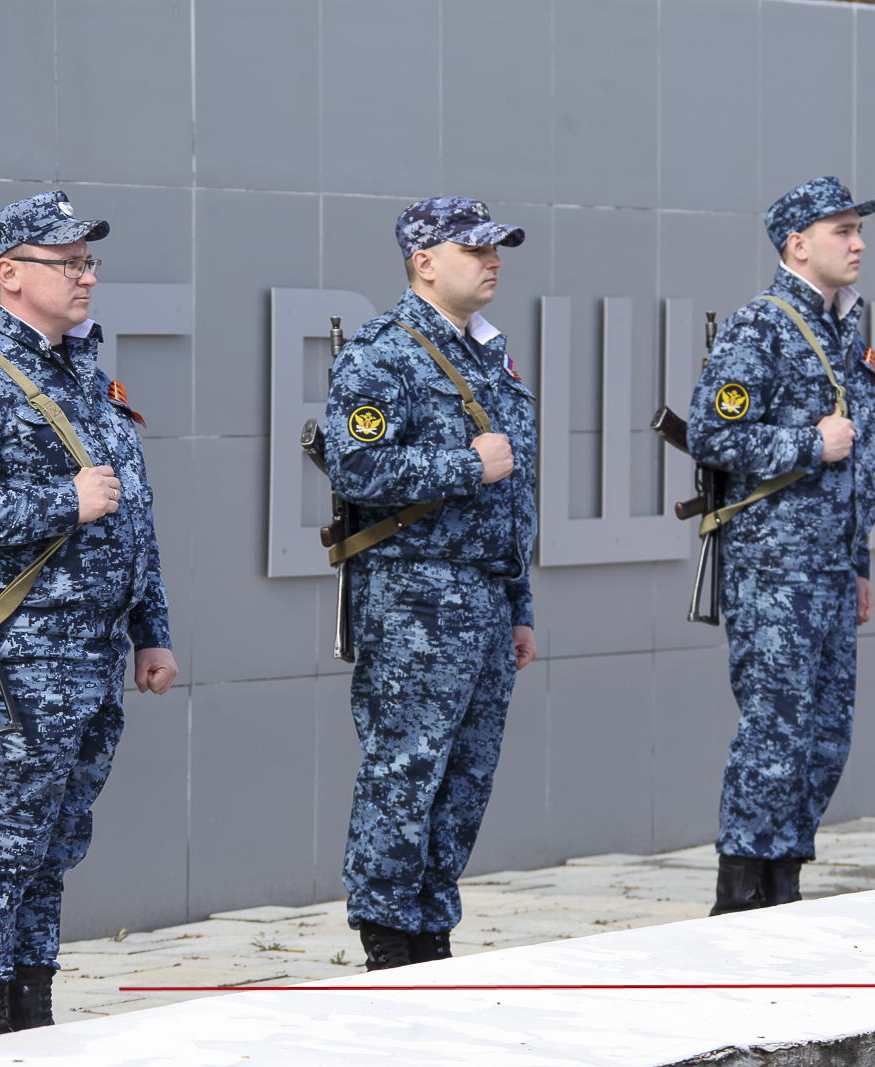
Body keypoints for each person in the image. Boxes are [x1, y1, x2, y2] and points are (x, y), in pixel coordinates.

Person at [0, 191, 178, 1037]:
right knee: (5, 838)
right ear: (9, 274)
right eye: (69, 263)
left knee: (58, 842)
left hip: (94, 653)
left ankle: (34, 1015)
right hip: (19, 650)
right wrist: (66, 498)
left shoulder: (87, 375)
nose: (88, 275)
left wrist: (151, 628)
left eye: (89, 261)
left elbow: (134, 512)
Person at [322, 197, 538, 969]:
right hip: (413, 598)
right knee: (405, 767)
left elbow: (514, 497)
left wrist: (519, 603)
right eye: (475, 248)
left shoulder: (490, 354)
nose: (493, 260)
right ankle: (388, 937)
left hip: (482, 597)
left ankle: (431, 925)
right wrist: (465, 464)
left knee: (466, 773)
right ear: (424, 260)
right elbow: (357, 464)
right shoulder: (384, 353)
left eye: (497, 247)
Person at [687, 176, 875, 916]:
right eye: (842, 231)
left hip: (831, 567)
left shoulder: (846, 332)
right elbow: (713, 435)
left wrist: (858, 562)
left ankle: (786, 877)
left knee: (824, 736)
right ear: (798, 245)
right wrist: (809, 443)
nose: (858, 242)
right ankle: (742, 888)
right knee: (774, 727)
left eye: (859, 230)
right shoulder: (759, 328)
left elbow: (860, 465)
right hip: (774, 567)